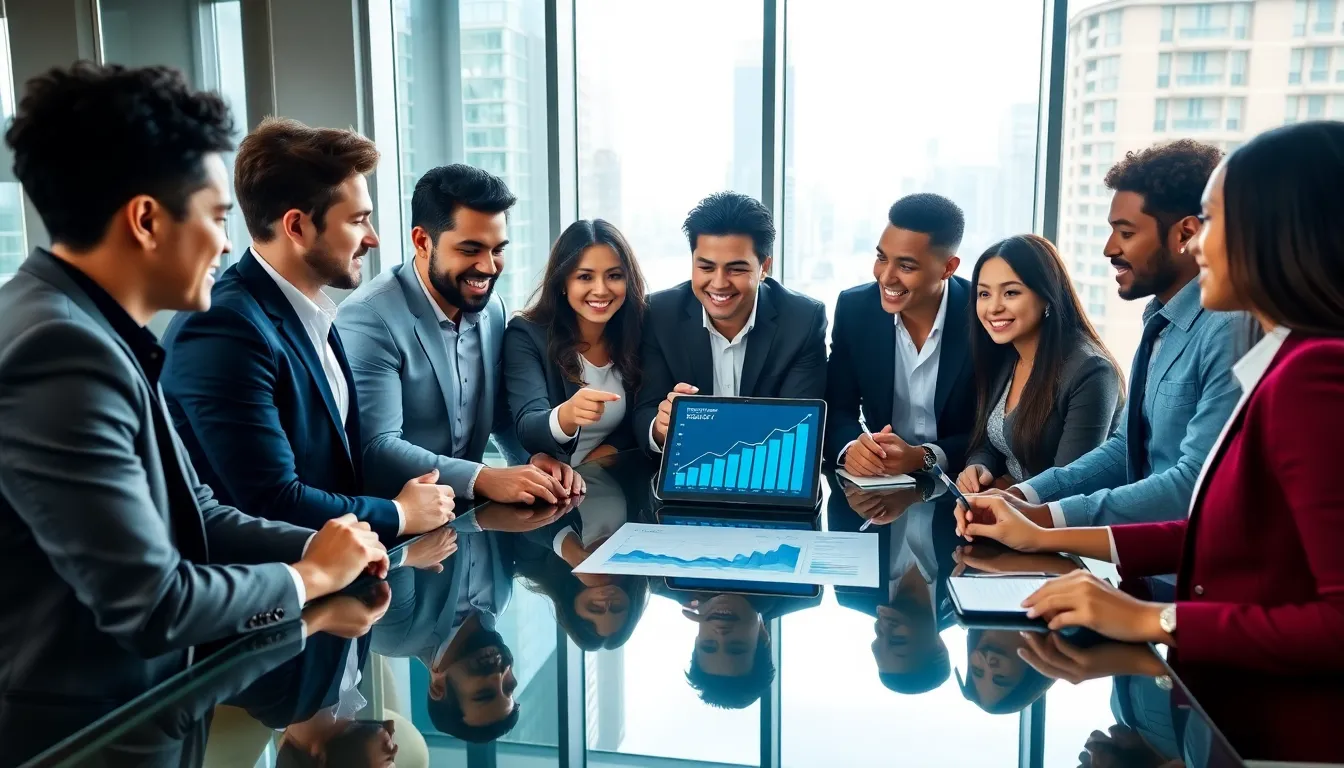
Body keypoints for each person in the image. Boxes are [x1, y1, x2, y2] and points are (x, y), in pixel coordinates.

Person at [0, 63, 386, 764]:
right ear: (146, 220)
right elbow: (153, 603)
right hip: (89, 740)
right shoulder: (60, 351)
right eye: (215, 217)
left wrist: (317, 547)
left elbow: (196, 511)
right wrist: (311, 579)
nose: (229, 244)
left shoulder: (88, 329)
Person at [958, 121, 1344, 763]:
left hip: (1284, 729)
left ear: (1275, 233)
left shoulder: (1314, 371)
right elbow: (1223, 526)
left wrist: (1150, 620)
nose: (1202, 246)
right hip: (1222, 684)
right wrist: (1046, 532)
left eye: (1214, 222)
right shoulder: (1276, 358)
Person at [161, 117, 455, 543]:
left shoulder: (314, 311)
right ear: (297, 226)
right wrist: (398, 514)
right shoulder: (223, 328)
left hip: (335, 572)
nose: (372, 238)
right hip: (264, 592)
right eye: (357, 221)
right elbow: (272, 501)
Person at [989, 140, 1245, 530]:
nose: (1110, 249)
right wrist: (1023, 496)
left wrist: (1046, 518)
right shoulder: (1158, 318)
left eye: (1125, 233)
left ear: (1185, 235)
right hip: (1140, 562)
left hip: (1184, 573)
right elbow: (1124, 449)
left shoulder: (1228, 329)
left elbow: (1194, 481)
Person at [336, 164, 580, 505]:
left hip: (465, 519)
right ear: (422, 242)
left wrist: (532, 460)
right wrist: (483, 477)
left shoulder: (490, 307)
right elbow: (378, 447)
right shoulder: (369, 318)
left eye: (497, 249)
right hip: (392, 531)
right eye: (470, 250)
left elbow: (498, 414)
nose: (489, 267)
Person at [633, 191, 828, 453]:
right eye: (706, 267)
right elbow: (644, 410)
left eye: (736, 269)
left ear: (764, 267)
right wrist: (661, 426)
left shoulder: (803, 320)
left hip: (768, 471)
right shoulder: (659, 314)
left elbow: (799, 426)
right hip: (686, 473)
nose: (719, 283)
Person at [957, 234, 1124, 493]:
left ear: (1047, 295)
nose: (993, 307)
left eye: (1011, 292)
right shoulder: (1006, 353)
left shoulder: (1091, 371)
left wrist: (1007, 495)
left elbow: (1071, 483)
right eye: (984, 294)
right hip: (1009, 513)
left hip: (1056, 524)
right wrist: (980, 467)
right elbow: (990, 441)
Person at [826, 193, 976, 477]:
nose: (886, 276)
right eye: (882, 258)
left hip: (962, 482)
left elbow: (997, 433)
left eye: (906, 266)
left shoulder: (981, 316)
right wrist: (851, 448)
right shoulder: (855, 309)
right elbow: (836, 407)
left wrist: (924, 457)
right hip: (880, 484)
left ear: (948, 268)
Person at [503, 218, 647, 465]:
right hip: (550, 491)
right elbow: (528, 428)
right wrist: (566, 415)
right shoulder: (526, 334)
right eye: (585, 277)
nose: (601, 290)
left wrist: (607, 453)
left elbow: (638, 418)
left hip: (609, 483)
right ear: (562, 283)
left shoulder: (636, 331)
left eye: (614, 276)